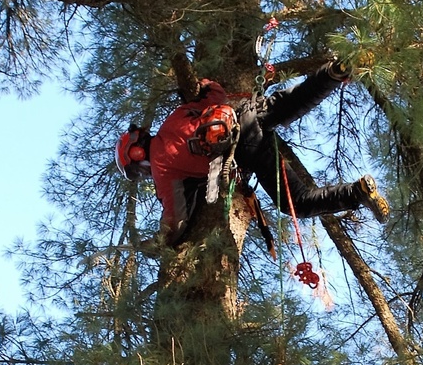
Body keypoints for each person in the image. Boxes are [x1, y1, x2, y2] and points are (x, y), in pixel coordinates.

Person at [116, 61, 389, 245]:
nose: (144, 174)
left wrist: (162, 241)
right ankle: (332, 73)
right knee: (295, 101)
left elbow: (176, 218)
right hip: (246, 112)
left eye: (138, 171)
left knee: (298, 201)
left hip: (245, 146)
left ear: (138, 154)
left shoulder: (162, 169)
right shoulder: (174, 118)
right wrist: (208, 84)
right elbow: (216, 95)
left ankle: (357, 193)